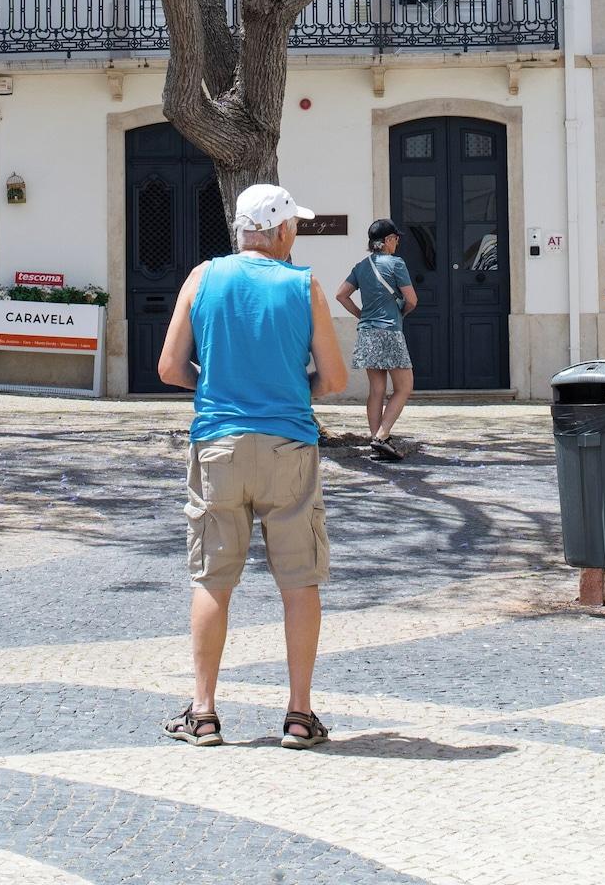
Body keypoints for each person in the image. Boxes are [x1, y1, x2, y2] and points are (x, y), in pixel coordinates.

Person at [157, 182, 348, 750]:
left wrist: (214, 385)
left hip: (217, 441)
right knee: (299, 581)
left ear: (242, 230)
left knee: (213, 578)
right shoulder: (303, 284)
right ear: (283, 231)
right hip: (288, 445)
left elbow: (170, 367)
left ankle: (205, 713)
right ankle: (297, 715)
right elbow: (335, 380)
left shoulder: (202, 278)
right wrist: (293, 388)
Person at [335, 219, 417, 460]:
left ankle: (376, 440)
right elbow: (411, 300)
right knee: (404, 386)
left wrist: (362, 315)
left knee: (377, 389)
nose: (398, 243)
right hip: (389, 331)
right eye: (396, 238)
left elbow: (341, 295)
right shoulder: (396, 264)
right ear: (388, 240)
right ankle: (381, 436)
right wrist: (400, 313)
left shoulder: (361, 266)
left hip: (367, 333)